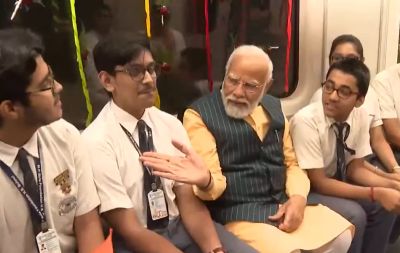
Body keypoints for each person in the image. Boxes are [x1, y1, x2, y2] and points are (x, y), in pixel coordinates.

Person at [140, 45, 353, 253]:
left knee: (342, 237)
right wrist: (205, 181)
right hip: (238, 212)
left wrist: (298, 198)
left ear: (266, 86)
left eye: (250, 85)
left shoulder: (274, 107)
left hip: (281, 201)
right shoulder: (200, 114)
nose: (238, 92)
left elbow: (291, 163)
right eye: (232, 80)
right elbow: (212, 180)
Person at [81, 32, 258, 253]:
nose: (149, 79)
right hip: (137, 239)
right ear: (108, 81)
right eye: (135, 71)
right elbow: (129, 228)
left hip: (180, 225)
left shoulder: (170, 124)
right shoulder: (96, 141)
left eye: (151, 69)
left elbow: (188, 203)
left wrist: (215, 250)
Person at [0, 29, 104, 253]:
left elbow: (87, 225)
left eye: (52, 75)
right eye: (46, 85)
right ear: (10, 108)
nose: (59, 87)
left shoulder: (65, 135)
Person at [290, 58, 400, 253]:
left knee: (385, 207)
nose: (332, 96)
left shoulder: (361, 116)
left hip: (337, 181)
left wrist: (392, 185)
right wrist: (376, 192)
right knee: (356, 214)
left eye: (344, 92)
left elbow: (355, 169)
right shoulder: (305, 121)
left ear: (360, 100)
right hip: (307, 190)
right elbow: (319, 183)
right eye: (329, 87)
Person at [310, 35, 400, 182]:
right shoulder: (323, 100)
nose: (345, 64)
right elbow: (341, 158)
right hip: (339, 169)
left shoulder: (369, 96)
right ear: (330, 61)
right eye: (337, 58)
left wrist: (395, 170)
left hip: (363, 160)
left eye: (351, 59)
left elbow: (378, 140)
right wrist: (386, 181)